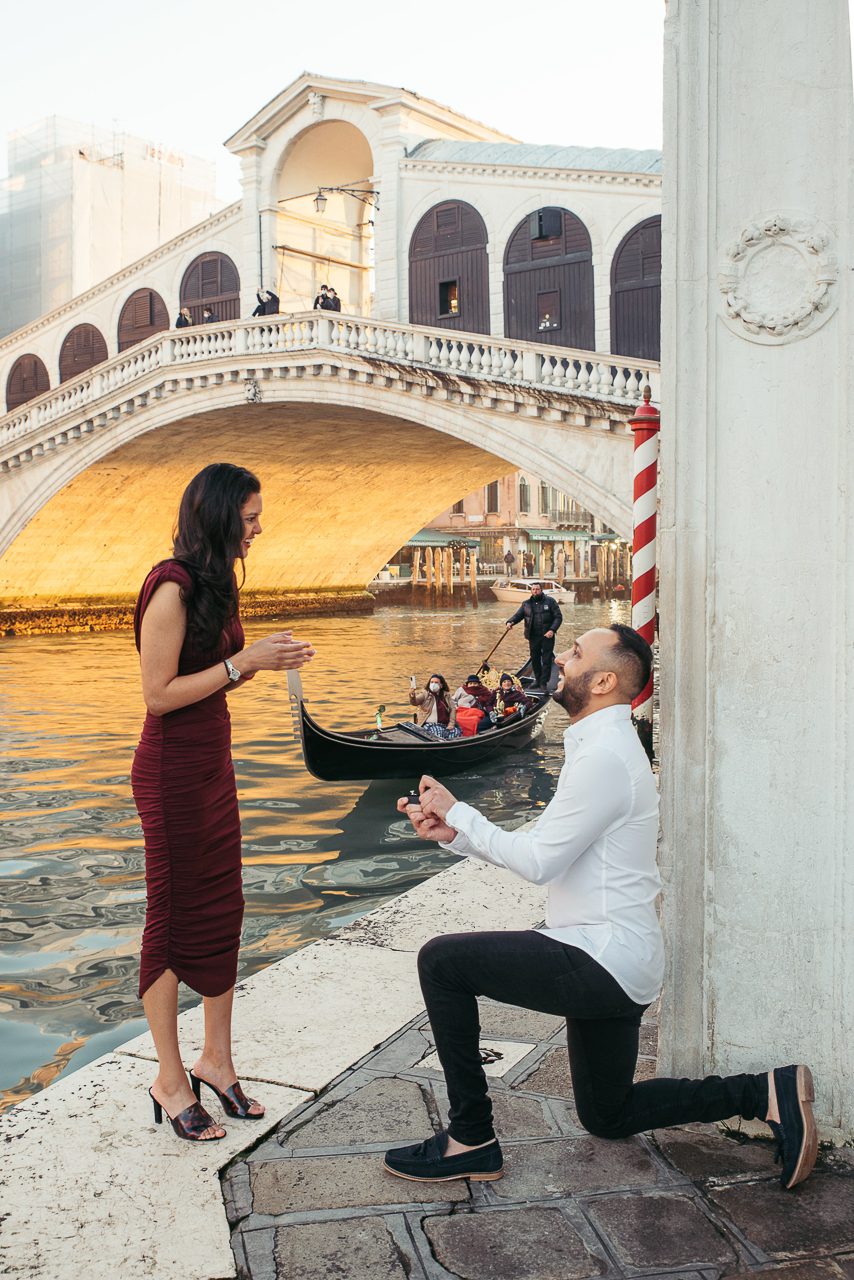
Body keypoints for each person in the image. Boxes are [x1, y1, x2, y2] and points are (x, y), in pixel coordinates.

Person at [384, 624, 817, 1193]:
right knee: (607, 1115)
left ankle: (471, 1137)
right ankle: (765, 1092)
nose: (560, 657)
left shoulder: (606, 758)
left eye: (576, 653)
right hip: (614, 957)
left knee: (442, 961)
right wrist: (454, 835)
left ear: (605, 680)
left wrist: (462, 812)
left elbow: (539, 862)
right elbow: (545, 847)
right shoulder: (601, 749)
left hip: (601, 955)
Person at [131, 463, 315, 1142]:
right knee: (173, 915)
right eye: (250, 517)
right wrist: (247, 662)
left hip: (211, 765)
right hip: (171, 773)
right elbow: (157, 696)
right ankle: (171, 1078)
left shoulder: (215, 586)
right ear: (218, 518)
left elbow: (207, 683)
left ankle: (217, 1059)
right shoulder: (172, 587)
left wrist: (268, 659)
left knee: (223, 905)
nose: (259, 527)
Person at [505, 581, 562, 689]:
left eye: (537, 589)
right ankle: (538, 679)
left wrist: (552, 630)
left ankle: (544, 682)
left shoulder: (550, 602)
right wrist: (510, 622)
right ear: (531, 591)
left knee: (546, 659)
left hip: (547, 635)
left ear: (541, 590)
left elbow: (558, 617)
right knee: (535, 658)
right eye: (533, 589)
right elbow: (518, 615)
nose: (535, 591)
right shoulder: (526, 604)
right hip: (533, 636)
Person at [409, 673, 461, 739]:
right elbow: (415, 702)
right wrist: (412, 696)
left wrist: (451, 724)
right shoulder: (425, 694)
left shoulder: (446, 695)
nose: (433, 684)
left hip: (444, 725)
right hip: (428, 725)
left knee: (456, 732)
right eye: (432, 682)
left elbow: (452, 709)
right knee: (435, 733)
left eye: (436, 682)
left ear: (441, 685)